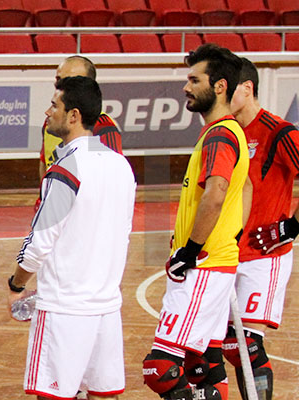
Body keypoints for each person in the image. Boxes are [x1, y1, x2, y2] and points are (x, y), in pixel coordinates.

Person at [7, 76, 136, 400]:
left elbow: (38, 243)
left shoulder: (66, 169)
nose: (48, 112)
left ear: (74, 115)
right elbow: (125, 233)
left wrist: (16, 284)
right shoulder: (122, 166)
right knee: (105, 395)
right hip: (106, 307)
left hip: (64, 308)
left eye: (55, 105)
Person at [142, 43, 248, 400]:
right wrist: (232, 234)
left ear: (219, 86)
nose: (186, 88)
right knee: (203, 364)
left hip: (203, 266)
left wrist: (191, 250)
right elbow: (244, 188)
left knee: (160, 368)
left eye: (193, 79)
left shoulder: (220, 134)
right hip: (217, 262)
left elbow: (215, 193)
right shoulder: (225, 132)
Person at [223, 56, 299, 400]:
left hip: (264, 257)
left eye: (227, 88)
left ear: (247, 88)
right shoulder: (224, 132)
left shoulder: (279, 132)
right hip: (226, 253)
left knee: (247, 345)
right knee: (223, 344)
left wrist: (290, 228)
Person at [39, 56, 123, 177]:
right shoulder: (51, 122)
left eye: (71, 80)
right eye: (59, 79)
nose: (62, 85)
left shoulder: (103, 127)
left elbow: (112, 175)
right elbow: (44, 163)